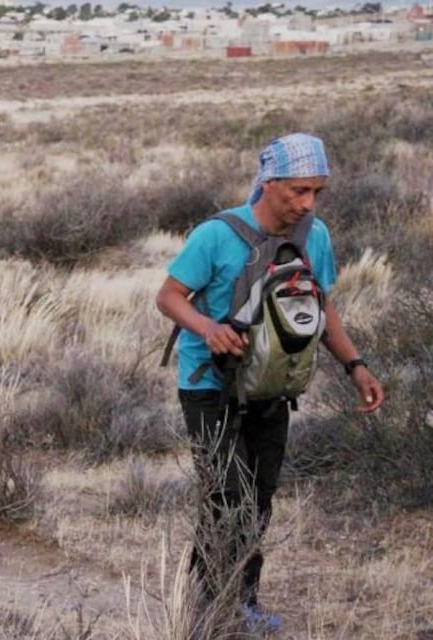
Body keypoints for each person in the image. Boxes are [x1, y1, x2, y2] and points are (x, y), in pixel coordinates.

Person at [155, 134, 385, 631]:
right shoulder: (215, 235)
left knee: (257, 497)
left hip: (273, 385)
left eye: (316, 193)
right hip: (208, 386)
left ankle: (244, 602)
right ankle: (208, 608)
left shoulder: (314, 235)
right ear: (269, 182)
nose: (307, 203)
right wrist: (209, 329)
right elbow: (170, 296)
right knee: (226, 495)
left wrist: (355, 365)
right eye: (298, 191)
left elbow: (322, 307)